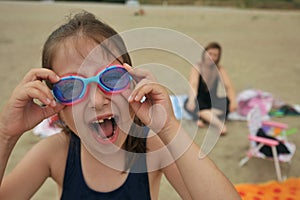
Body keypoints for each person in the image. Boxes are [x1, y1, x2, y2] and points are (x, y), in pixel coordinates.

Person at [0, 11, 241, 199]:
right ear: (56, 103)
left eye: (111, 78)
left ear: (133, 83)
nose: (96, 101)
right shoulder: (56, 153)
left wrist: (169, 127)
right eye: (72, 87)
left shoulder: (152, 148)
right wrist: (5, 135)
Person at [184, 42, 237, 135]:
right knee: (189, 104)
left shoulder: (219, 69)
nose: (211, 57)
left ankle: (202, 117)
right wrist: (192, 100)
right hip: (199, 99)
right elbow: (193, 85)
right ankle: (219, 125)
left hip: (211, 99)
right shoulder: (197, 67)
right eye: (210, 54)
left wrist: (233, 101)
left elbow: (228, 86)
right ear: (204, 53)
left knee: (226, 103)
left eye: (215, 55)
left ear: (218, 58)